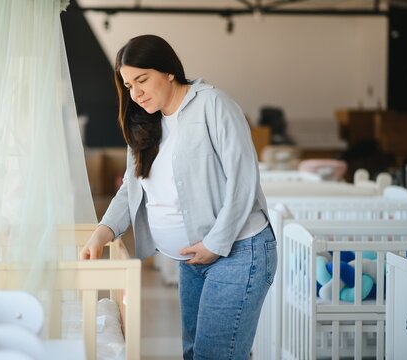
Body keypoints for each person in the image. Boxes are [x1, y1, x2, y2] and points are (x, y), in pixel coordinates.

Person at [79, 34, 277, 360]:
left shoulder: (213, 105)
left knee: (214, 355)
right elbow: (132, 187)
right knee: (193, 353)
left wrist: (215, 244)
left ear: (169, 71)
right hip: (192, 260)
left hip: (238, 250)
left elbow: (243, 181)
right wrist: (104, 231)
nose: (136, 92)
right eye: (128, 85)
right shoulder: (145, 122)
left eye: (142, 79)